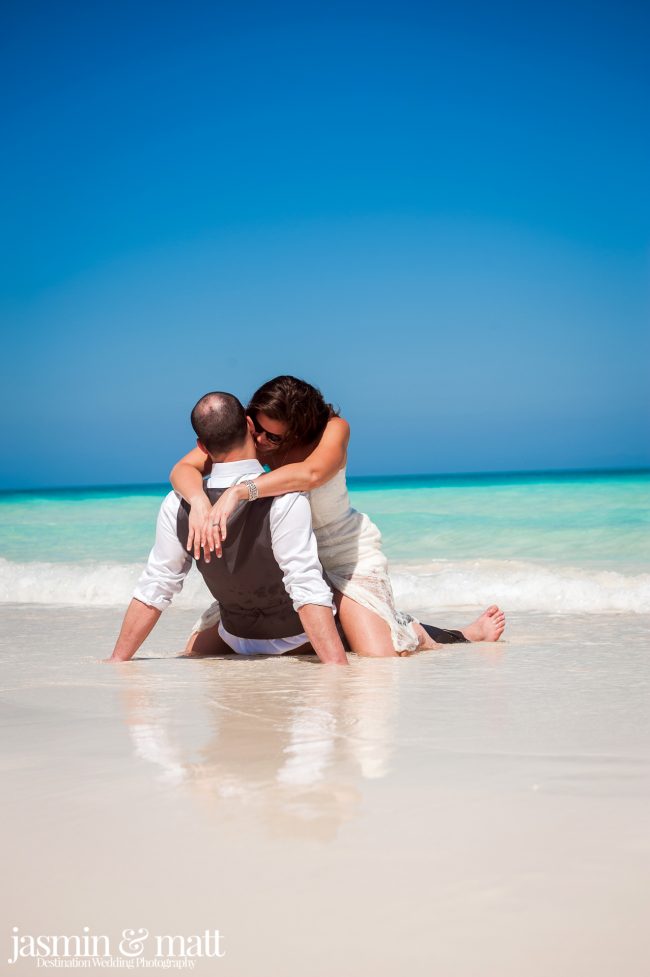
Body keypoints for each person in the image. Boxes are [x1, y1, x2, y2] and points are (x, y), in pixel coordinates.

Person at [170, 376, 506, 658]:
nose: (258, 440)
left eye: (272, 436)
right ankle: (357, 624)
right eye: (256, 427)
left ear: (298, 431)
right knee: (197, 653)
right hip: (282, 566)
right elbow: (182, 469)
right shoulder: (251, 437)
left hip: (343, 556)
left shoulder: (334, 430)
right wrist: (198, 500)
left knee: (378, 657)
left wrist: (240, 491)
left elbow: (312, 474)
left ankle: (436, 632)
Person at [107, 392, 349, 665]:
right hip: (299, 642)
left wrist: (118, 660)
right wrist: (337, 667)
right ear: (250, 425)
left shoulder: (176, 504)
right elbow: (305, 585)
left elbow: (157, 583)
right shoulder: (286, 497)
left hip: (235, 638)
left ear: (201, 445)